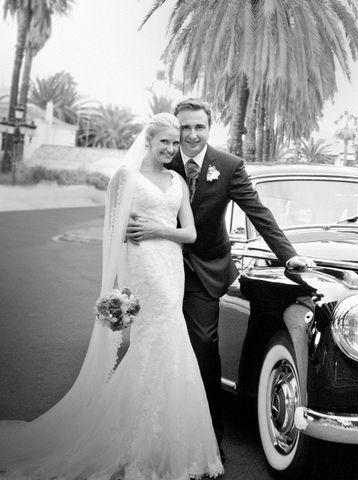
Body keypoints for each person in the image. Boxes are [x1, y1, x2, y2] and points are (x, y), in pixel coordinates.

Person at [0, 113, 224, 480]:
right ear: (148, 141)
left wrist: (157, 228)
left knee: (170, 343)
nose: (170, 148)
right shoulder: (126, 178)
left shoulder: (179, 181)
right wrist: (117, 290)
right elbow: (113, 235)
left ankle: (169, 443)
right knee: (153, 341)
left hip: (169, 265)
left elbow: (191, 235)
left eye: (174, 142)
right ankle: (138, 441)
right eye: (163, 141)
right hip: (143, 267)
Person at [166, 98, 315, 451]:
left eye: (198, 127)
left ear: (209, 128)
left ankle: (209, 439)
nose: (191, 135)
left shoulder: (228, 166)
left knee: (204, 346)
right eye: (184, 127)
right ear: (175, 129)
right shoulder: (161, 158)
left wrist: (289, 256)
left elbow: (257, 212)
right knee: (158, 343)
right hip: (162, 265)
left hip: (204, 270)